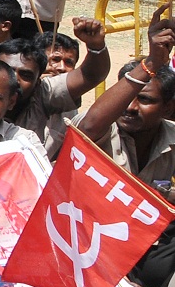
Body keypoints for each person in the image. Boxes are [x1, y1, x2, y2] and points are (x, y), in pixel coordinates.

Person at [75, 20, 175, 189]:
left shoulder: (171, 139)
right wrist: (151, 62)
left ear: (168, 107)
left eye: (144, 100)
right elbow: (88, 128)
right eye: (126, 98)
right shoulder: (103, 125)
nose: (130, 107)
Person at [0, 20, 109, 157]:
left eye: (26, 75)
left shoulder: (43, 93)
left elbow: (92, 75)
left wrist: (96, 46)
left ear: (38, 81)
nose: (15, 79)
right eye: (8, 71)